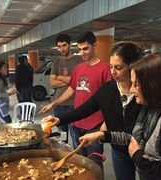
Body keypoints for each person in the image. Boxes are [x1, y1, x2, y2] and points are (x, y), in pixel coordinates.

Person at [40, 42, 143, 180]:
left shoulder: (143, 92)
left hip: (143, 151)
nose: (113, 72)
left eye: (119, 67)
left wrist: (102, 134)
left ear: (133, 66)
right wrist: (59, 119)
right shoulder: (108, 89)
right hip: (119, 151)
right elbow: (85, 108)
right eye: (111, 67)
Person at [39, 31, 112, 170]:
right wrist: (54, 103)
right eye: (79, 49)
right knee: (80, 160)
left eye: (85, 48)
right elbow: (71, 90)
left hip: (94, 125)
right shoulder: (79, 68)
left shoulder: (105, 69)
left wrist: (105, 123)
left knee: (95, 162)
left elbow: (110, 100)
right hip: (77, 123)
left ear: (94, 45)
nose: (82, 52)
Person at [48, 33, 83, 143]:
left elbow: (79, 81)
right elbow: (52, 83)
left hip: (74, 105)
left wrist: (59, 77)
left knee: (76, 138)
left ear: (70, 44)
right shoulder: (57, 62)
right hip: (59, 105)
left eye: (64, 45)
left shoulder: (79, 60)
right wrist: (70, 80)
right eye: (59, 46)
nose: (62, 49)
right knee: (61, 140)